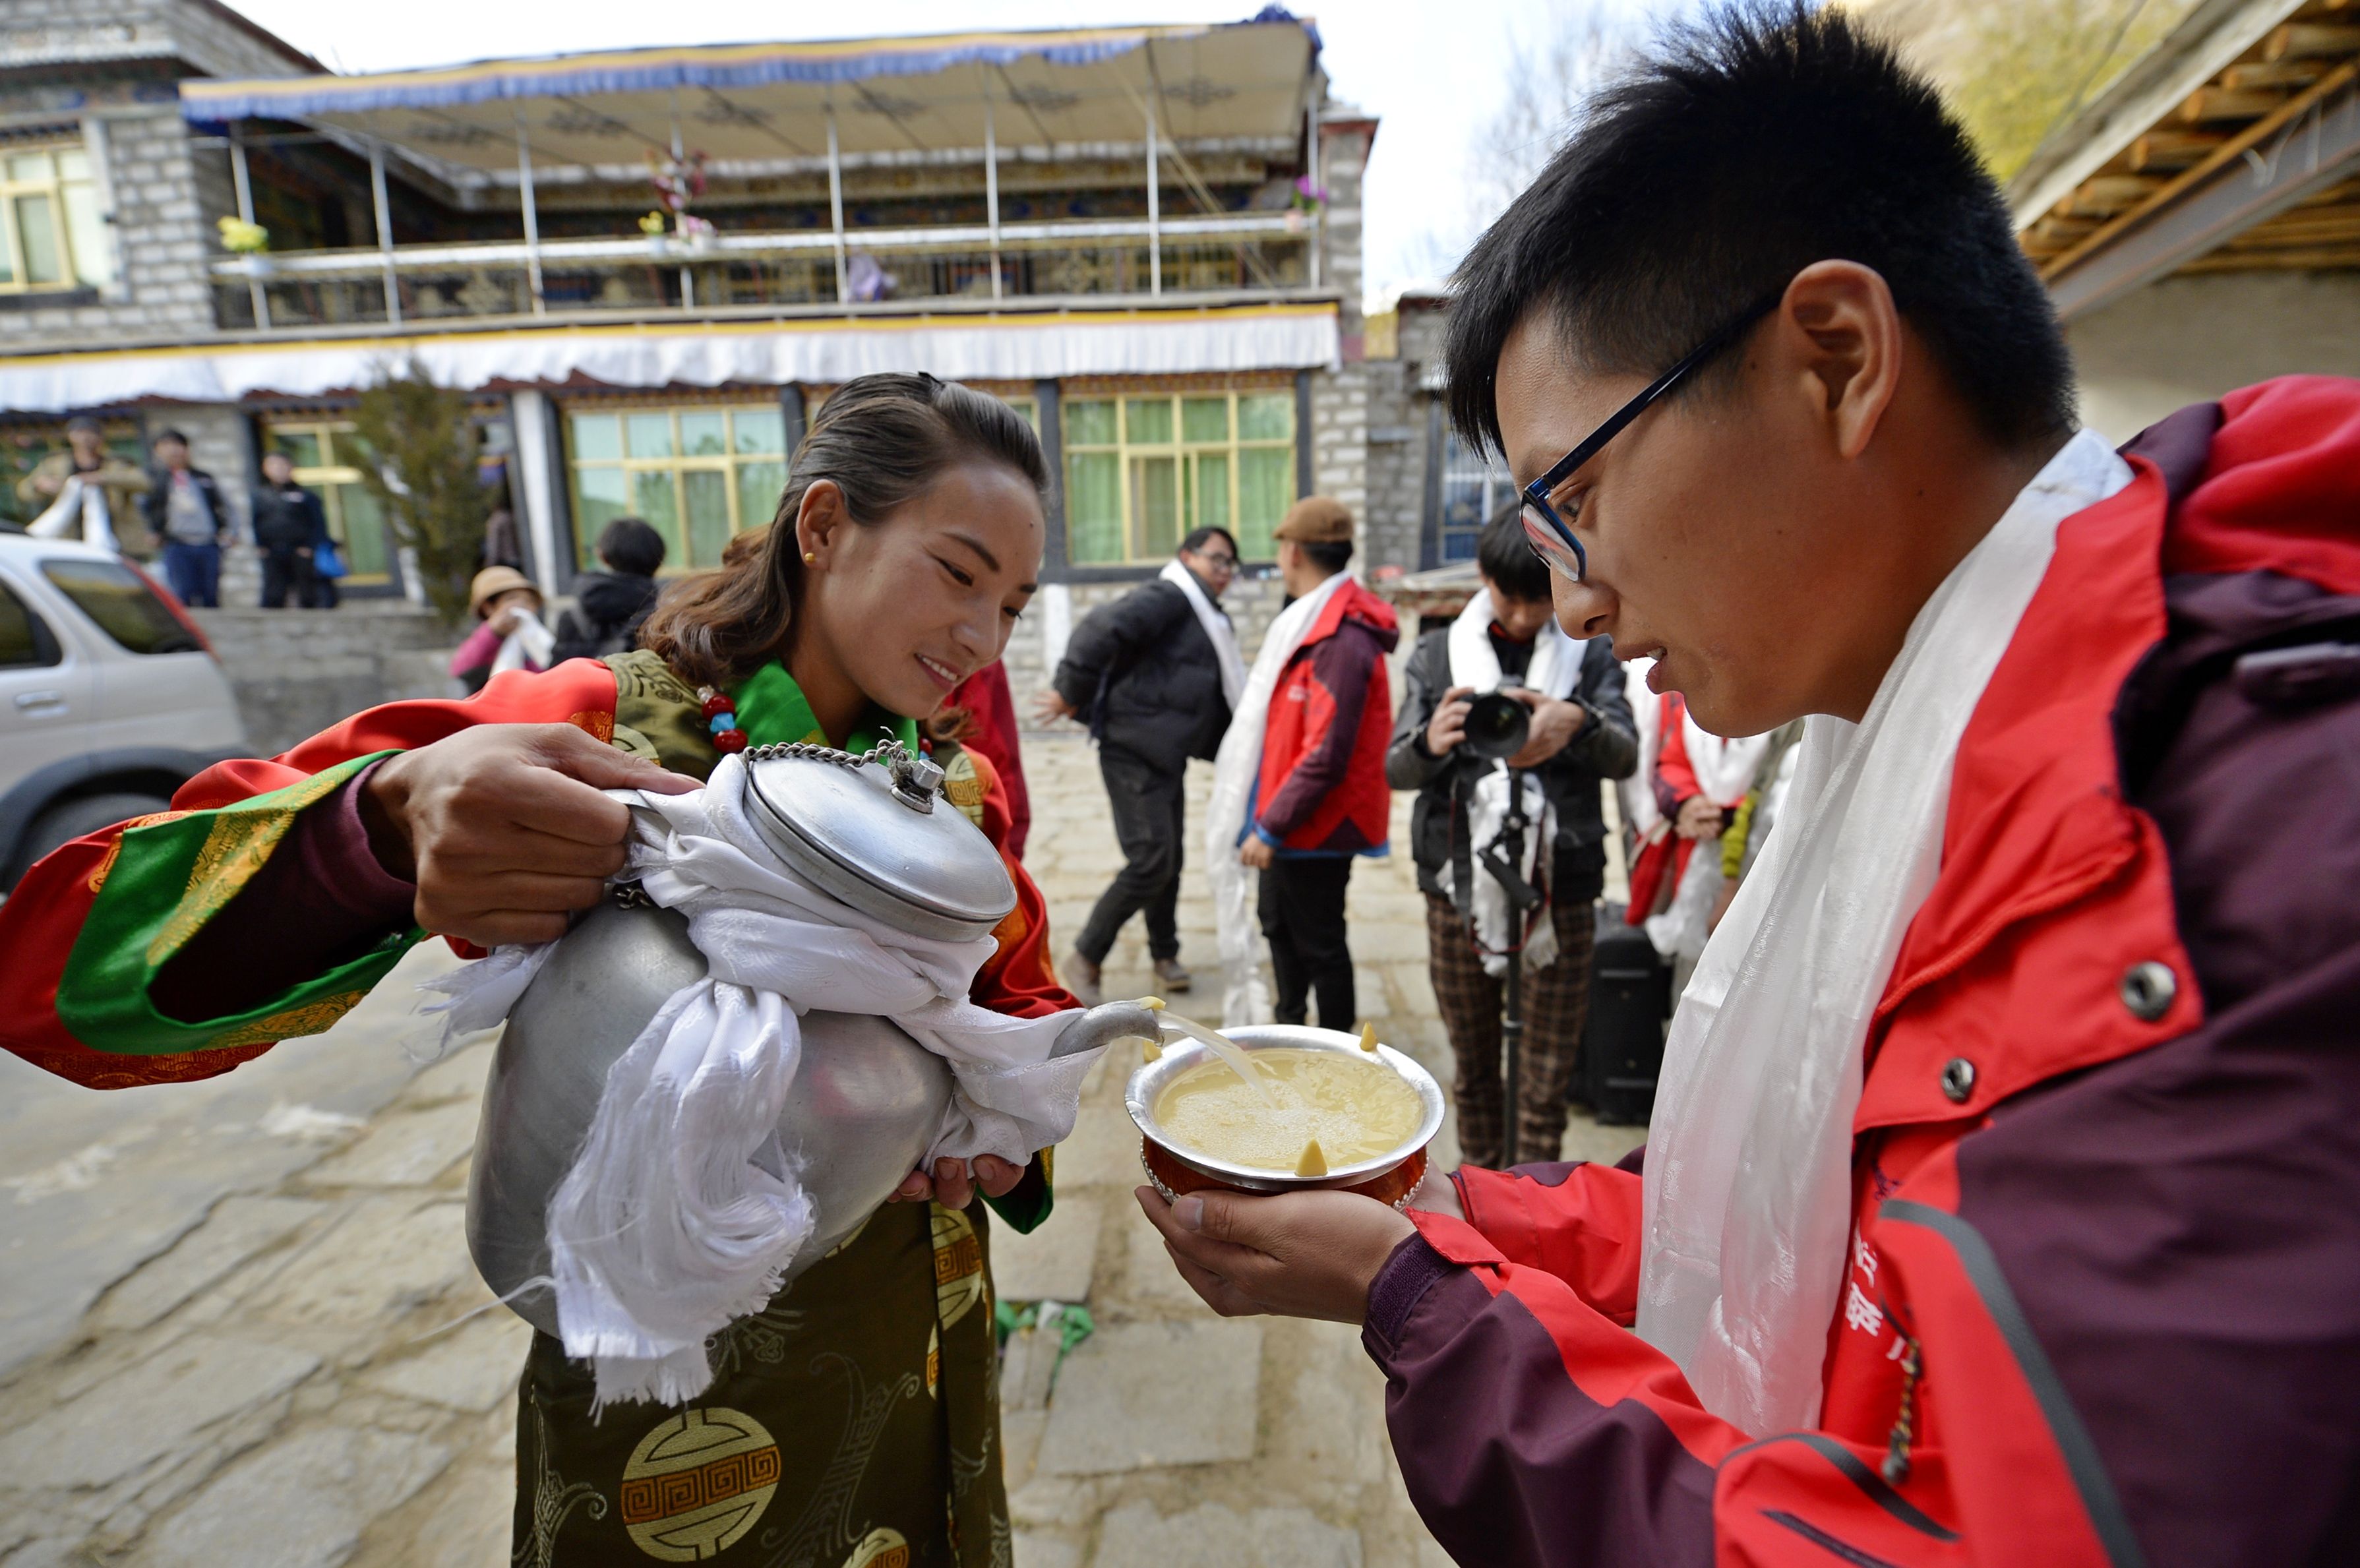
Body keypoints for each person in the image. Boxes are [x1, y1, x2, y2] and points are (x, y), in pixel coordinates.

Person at [1138, 7, 2360, 1563]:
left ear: (1835, 362)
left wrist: (1428, 1311)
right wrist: (1451, 1227)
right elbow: (1789, 1225)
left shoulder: (2208, 849)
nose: (1573, 598)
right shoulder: (1926, 732)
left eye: (1577, 496)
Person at [0, 373, 1081, 1567]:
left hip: (910, 1319)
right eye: (959, 573)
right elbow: (54, 966)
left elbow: (1016, 996)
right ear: (822, 526)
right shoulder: (597, 736)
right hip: (666, 1382)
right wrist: (374, 834)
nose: (983, 639)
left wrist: (1000, 1119)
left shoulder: (943, 789)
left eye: (1015, 605)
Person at [1387, 506, 1635, 1168]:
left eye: (1538, 597)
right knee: (1472, 1066)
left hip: (1565, 886)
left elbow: (1627, 755)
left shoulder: (1592, 653)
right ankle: (1482, 1195)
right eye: (1510, 597)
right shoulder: (1438, 654)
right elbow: (1396, 768)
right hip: (1457, 886)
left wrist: (1576, 721)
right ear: (1484, 578)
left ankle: (1534, 1207)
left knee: (1546, 1074)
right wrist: (1430, 741)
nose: (1526, 616)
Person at [1207, 498, 1396, 1029]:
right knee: (1278, 925)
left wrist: (1268, 829)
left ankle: (1338, 1050)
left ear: (1291, 553)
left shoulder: (1339, 639)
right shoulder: (1313, 624)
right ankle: (1288, 1024)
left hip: (1315, 823)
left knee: (1319, 942)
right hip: (1291, 814)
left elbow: (1325, 754)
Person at [1041, 526, 1245, 1002]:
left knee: (1168, 859)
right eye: (1216, 559)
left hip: (1164, 753)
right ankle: (1086, 955)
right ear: (1186, 556)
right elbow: (1100, 629)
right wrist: (1071, 691)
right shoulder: (1170, 596)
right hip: (1131, 748)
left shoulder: (1205, 615)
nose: (1224, 572)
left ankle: (1164, 953)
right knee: (1152, 858)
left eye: (1230, 565)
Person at [17, 415, 152, 555]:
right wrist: (39, 485)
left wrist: (102, 478)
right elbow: (24, 490)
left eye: (91, 433)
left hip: (115, 535)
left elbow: (144, 482)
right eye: (80, 433)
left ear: (100, 437)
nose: (85, 438)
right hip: (68, 537)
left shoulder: (115, 463)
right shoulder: (55, 463)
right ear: (70, 436)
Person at [551, 515, 665, 661]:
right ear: (659, 559)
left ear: (602, 556)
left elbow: (555, 675)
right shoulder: (665, 618)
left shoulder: (570, 616)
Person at [138, 429, 231, 608]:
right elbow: (145, 509)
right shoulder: (154, 479)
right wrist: (152, 531)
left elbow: (224, 506)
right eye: (166, 446)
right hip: (176, 543)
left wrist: (229, 531)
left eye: (178, 445)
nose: (173, 451)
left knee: (210, 595)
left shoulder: (203, 477)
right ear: (157, 451)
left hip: (208, 543)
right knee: (183, 594)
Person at [450, 565, 554, 695]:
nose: (523, 605)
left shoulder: (540, 637)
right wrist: (493, 632)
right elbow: (461, 669)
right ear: (488, 608)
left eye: (528, 600)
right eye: (512, 599)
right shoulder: (483, 641)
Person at [251, 450, 330, 610]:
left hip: (300, 549)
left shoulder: (306, 496)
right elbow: (256, 522)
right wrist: (260, 545)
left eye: (281, 465)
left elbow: (318, 523)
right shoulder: (261, 495)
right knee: (274, 592)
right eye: (272, 465)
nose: (278, 469)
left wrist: (310, 546)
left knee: (307, 591)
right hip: (272, 550)